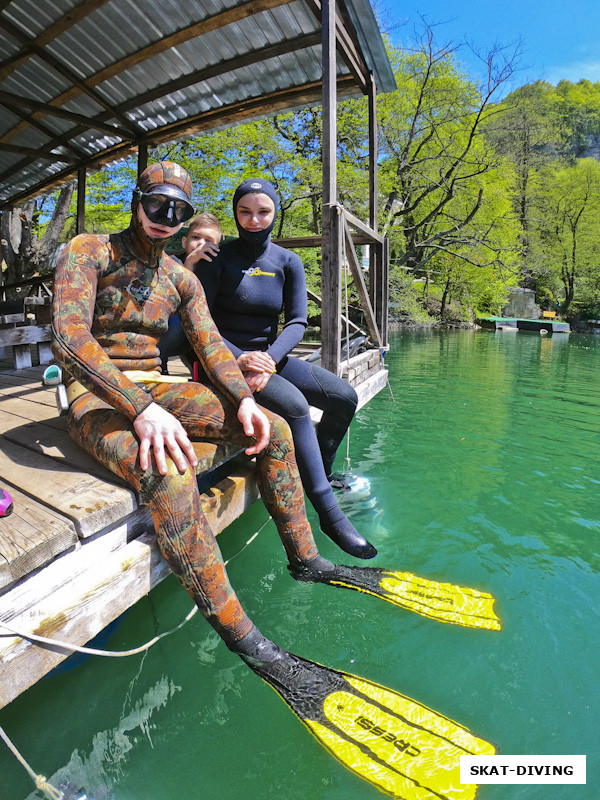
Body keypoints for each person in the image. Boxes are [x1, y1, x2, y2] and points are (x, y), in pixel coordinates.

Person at [51, 161, 338, 659]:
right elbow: (68, 335)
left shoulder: (181, 277)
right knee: (170, 471)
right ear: (136, 200)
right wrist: (139, 408)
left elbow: (211, 348)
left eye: (176, 209)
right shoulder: (89, 251)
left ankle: (306, 558)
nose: (163, 216)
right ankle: (243, 637)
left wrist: (244, 399)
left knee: (273, 428)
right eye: (155, 203)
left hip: (157, 385)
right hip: (94, 390)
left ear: (187, 218)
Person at [195, 178, 376, 559]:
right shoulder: (218, 258)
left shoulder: (287, 261)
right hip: (224, 359)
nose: (254, 219)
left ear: (276, 212)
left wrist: (270, 360)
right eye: (245, 211)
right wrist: (239, 359)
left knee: (344, 396)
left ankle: (320, 471)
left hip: (268, 357)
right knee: (294, 406)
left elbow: (296, 321)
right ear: (235, 212)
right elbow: (202, 321)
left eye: (263, 211)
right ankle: (328, 514)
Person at [158, 213, 222, 373]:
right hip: (173, 334)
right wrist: (190, 264)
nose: (201, 244)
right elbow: (166, 302)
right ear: (184, 242)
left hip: (207, 335)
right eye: (196, 237)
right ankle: (159, 367)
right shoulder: (172, 262)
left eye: (209, 240)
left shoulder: (221, 267)